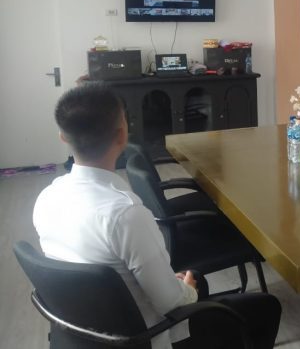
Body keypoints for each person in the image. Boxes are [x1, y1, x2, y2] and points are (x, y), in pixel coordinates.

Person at [33, 84, 281, 349]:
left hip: (89, 332)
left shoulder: (47, 198)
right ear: (122, 134)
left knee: (194, 281)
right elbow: (171, 303)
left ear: (63, 136)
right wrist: (187, 289)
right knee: (265, 307)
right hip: (146, 337)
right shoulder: (125, 214)